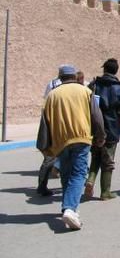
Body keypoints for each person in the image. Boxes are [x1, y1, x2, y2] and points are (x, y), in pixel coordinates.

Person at [44, 64, 105, 230]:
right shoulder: (85, 91)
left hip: (60, 140)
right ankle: (70, 209)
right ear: (74, 76)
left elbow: (46, 121)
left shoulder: (52, 95)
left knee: (66, 173)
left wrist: (47, 145)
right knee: (78, 173)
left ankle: (68, 207)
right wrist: (100, 136)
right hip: (81, 137)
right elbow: (96, 116)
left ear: (60, 77)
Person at [84, 58, 120, 200]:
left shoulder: (94, 85)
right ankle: (105, 192)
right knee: (108, 161)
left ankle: (90, 180)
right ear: (116, 71)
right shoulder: (119, 88)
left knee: (96, 156)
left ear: (104, 69)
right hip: (111, 129)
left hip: (94, 129)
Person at [37, 66, 66, 196]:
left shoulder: (52, 83)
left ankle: (42, 185)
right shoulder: (71, 86)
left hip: (51, 121)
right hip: (62, 122)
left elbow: (46, 99)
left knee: (50, 155)